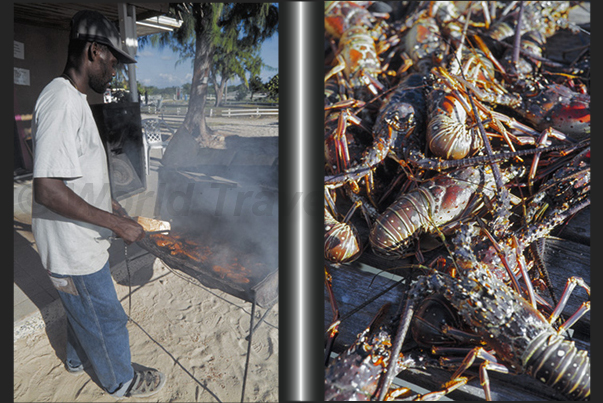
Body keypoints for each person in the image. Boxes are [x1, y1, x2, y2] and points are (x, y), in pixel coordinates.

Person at [31, 10, 166, 398]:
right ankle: (120, 380)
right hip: (72, 248)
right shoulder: (60, 102)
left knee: (81, 309)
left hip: (77, 241)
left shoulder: (73, 98)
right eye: (112, 62)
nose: (114, 73)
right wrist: (117, 226)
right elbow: (48, 190)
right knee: (106, 318)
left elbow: (79, 175)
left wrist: (114, 210)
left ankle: (76, 360)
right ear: (93, 51)